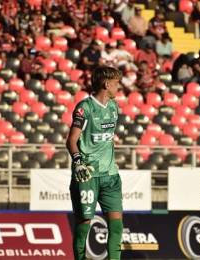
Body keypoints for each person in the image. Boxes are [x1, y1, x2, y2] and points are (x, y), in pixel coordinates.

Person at [66, 66, 124, 260]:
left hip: (110, 174)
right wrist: (78, 162)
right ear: (106, 84)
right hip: (88, 175)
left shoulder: (114, 107)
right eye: (116, 84)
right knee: (84, 224)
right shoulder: (85, 108)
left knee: (117, 225)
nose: (119, 87)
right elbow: (71, 140)